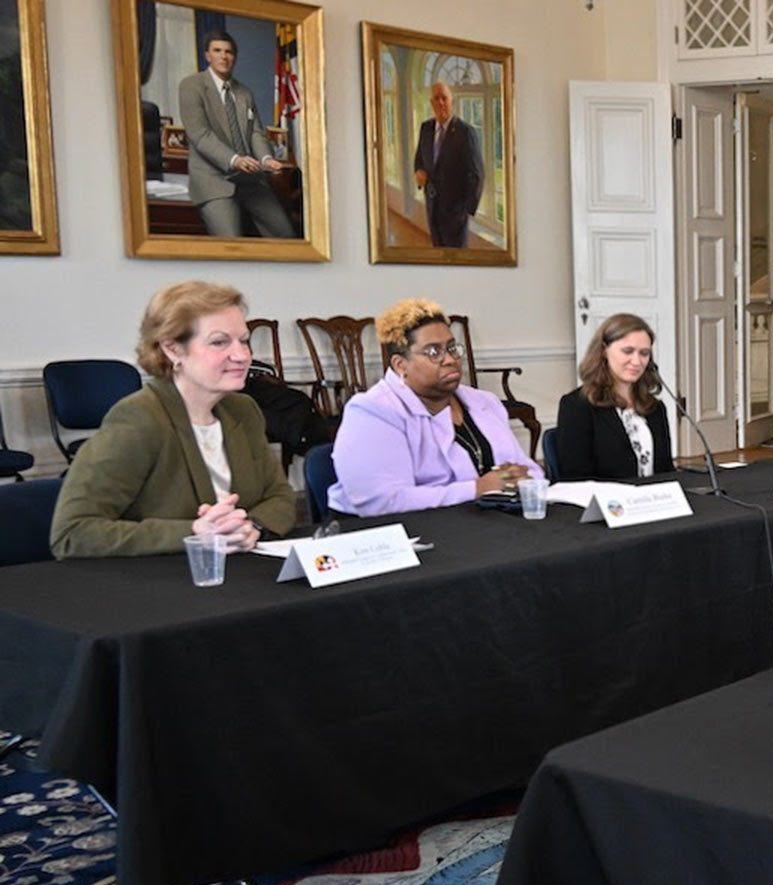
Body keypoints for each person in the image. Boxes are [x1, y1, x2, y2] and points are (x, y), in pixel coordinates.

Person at [49, 282, 295, 558]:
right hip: (159, 586)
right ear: (173, 350)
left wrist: (252, 525)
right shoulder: (138, 418)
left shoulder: (243, 410)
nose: (241, 355)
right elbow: (73, 533)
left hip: (241, 576)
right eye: (219, 342)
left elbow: (281, 497)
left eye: (244, 340)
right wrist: (194, 533)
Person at [328, 298, 539, 515]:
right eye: (433, 352)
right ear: (401, 365)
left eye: (451, 348)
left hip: (486, 523)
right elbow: (382, 501)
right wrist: (478, 488)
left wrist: (522, 478)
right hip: (401, 533)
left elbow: (527, 468)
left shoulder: (484, 402)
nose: (449, 359)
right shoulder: (372, 412)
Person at [177, 31, 294, 239]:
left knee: (286, 236)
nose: (224, 56)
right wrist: (235, 160)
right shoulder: (191, 86)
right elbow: (200, 135)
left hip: (250, 180)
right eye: (217, 51)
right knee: (232, 243)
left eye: (229, 52)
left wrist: (267, 159)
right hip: (214, 180)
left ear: (235, 57)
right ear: (207, 56)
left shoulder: (244, 92)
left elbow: (256, 133)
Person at [554, 313, 676, 480]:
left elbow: (666, 471)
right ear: (604, 351)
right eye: (628, 351)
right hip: (605, 503)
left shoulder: (654, 407)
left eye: (644, 353)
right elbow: (575, 477)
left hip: (651, 502)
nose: (637, 361)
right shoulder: (577, 406)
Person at [413, 81, 484, 247]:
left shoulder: (465, 132)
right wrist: (418, 172)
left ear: (452, 101)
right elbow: (419, 160)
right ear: (431, 103)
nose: (440, 102)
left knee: (457, 265)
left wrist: (465, 211)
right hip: (432, 209)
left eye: (444, 98)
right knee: (438, 257)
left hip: (456, 216)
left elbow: (477, 175)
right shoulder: (426, 128)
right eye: (436, 98)